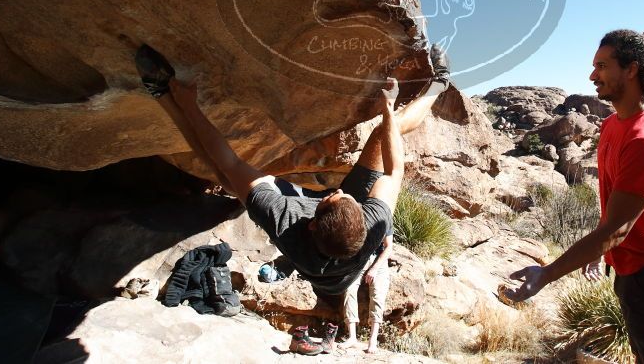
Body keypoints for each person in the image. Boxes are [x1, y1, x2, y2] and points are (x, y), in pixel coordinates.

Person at [134, 44, 449, 353]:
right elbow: (396, 170)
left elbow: (229, 161)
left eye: (332, 198)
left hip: (326, 225)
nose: (337, 191)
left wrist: (188, 102)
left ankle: (162, 93)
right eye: (346, 198)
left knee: (224, 174)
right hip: (343, 223)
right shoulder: (372, 223)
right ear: (362, 221)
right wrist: (388, 114)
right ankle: (440, 84)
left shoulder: (284, 219)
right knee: (384, 135)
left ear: (311, 223)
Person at [505, 27, 644, 364]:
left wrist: (547, 274)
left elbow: (617, 230)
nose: (593, 75)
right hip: (633, 270)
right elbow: (615, 212)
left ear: (631, 68)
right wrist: (602, 253)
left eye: (603, 66)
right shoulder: (613, 125)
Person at [339, 233, 393, 353]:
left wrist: (374, 268)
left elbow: (389, 247)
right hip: (359, 258)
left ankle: (372, 340)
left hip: (378, 259)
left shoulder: (385, 217)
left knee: (378, 295)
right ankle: (352, 337)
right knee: (349, 289)